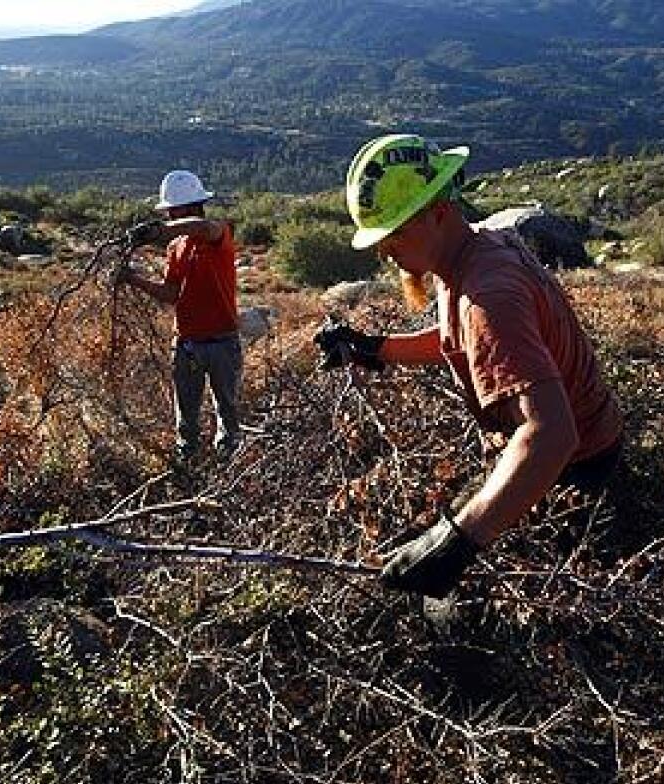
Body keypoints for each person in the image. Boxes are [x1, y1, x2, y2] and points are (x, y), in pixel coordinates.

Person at [315, 134, 624, 599]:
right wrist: (374, 349)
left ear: (437, 212)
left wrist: (458, 543)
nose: (385, 251)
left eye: (394, 232)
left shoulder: (487, 294)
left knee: (473, 601)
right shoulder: (474, 249)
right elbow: (463, 343)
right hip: (578, 450)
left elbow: (551, 435)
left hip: (573, 472)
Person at [121, 169, 242, 462]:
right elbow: (170, 294)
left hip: (223, 342)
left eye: (172, 211)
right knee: (186, 421)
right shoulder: (175, 247)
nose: (169, 218)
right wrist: (132, 279)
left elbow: (201, 227)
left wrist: (158, 232)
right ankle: (188, 470)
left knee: (228, 415)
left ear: (188, 208)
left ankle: (229, 474)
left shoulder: (218, 232)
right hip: (187, 343)